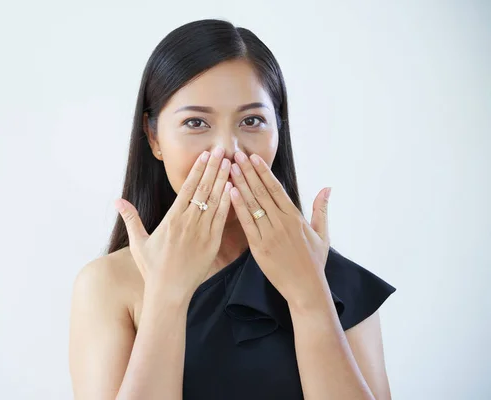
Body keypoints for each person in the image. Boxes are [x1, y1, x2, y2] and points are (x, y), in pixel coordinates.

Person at [69, 18, 397, 400]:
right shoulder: (109, 286)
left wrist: (311, 296)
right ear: (153, 136)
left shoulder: (331, 276)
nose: (228, 150)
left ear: (279, 129)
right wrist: (167, 295)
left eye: (252, 121)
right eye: (196, 122)